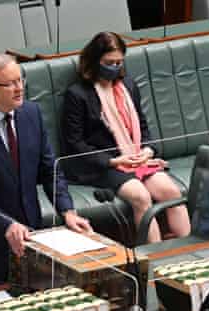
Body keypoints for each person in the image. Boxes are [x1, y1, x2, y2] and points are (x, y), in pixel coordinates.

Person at [0, 53, 92, 282]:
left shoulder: (31, 114)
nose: (19, 88)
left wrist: (67, 210)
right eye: (10, 83)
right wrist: (6, 224)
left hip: (31, 238)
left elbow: (49, 168)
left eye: (20, 80)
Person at [62, 32, 190, 244]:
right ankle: (154, 262)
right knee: (141, 197)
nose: (114, 67)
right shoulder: (77, 94)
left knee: (172, 192)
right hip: (102, 165)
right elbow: (74, 144)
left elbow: (142, 125)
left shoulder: (128, 85)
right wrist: (112, 161)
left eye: (118, 62)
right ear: (94, 61)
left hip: (135, 158)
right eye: (108, 62)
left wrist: (148, 149)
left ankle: (187, 253)